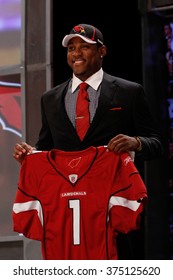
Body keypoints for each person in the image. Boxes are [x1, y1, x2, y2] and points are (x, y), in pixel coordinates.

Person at [12, 23, 164, 258]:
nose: (76, 53)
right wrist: (30, 156)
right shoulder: (50, 98)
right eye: (71, 48)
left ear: (102, 51)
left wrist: (136, 143)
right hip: (67, 215)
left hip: (110, 211)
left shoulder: (129, 91)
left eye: (84, 47)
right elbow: (46, 147)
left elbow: (157, 143)